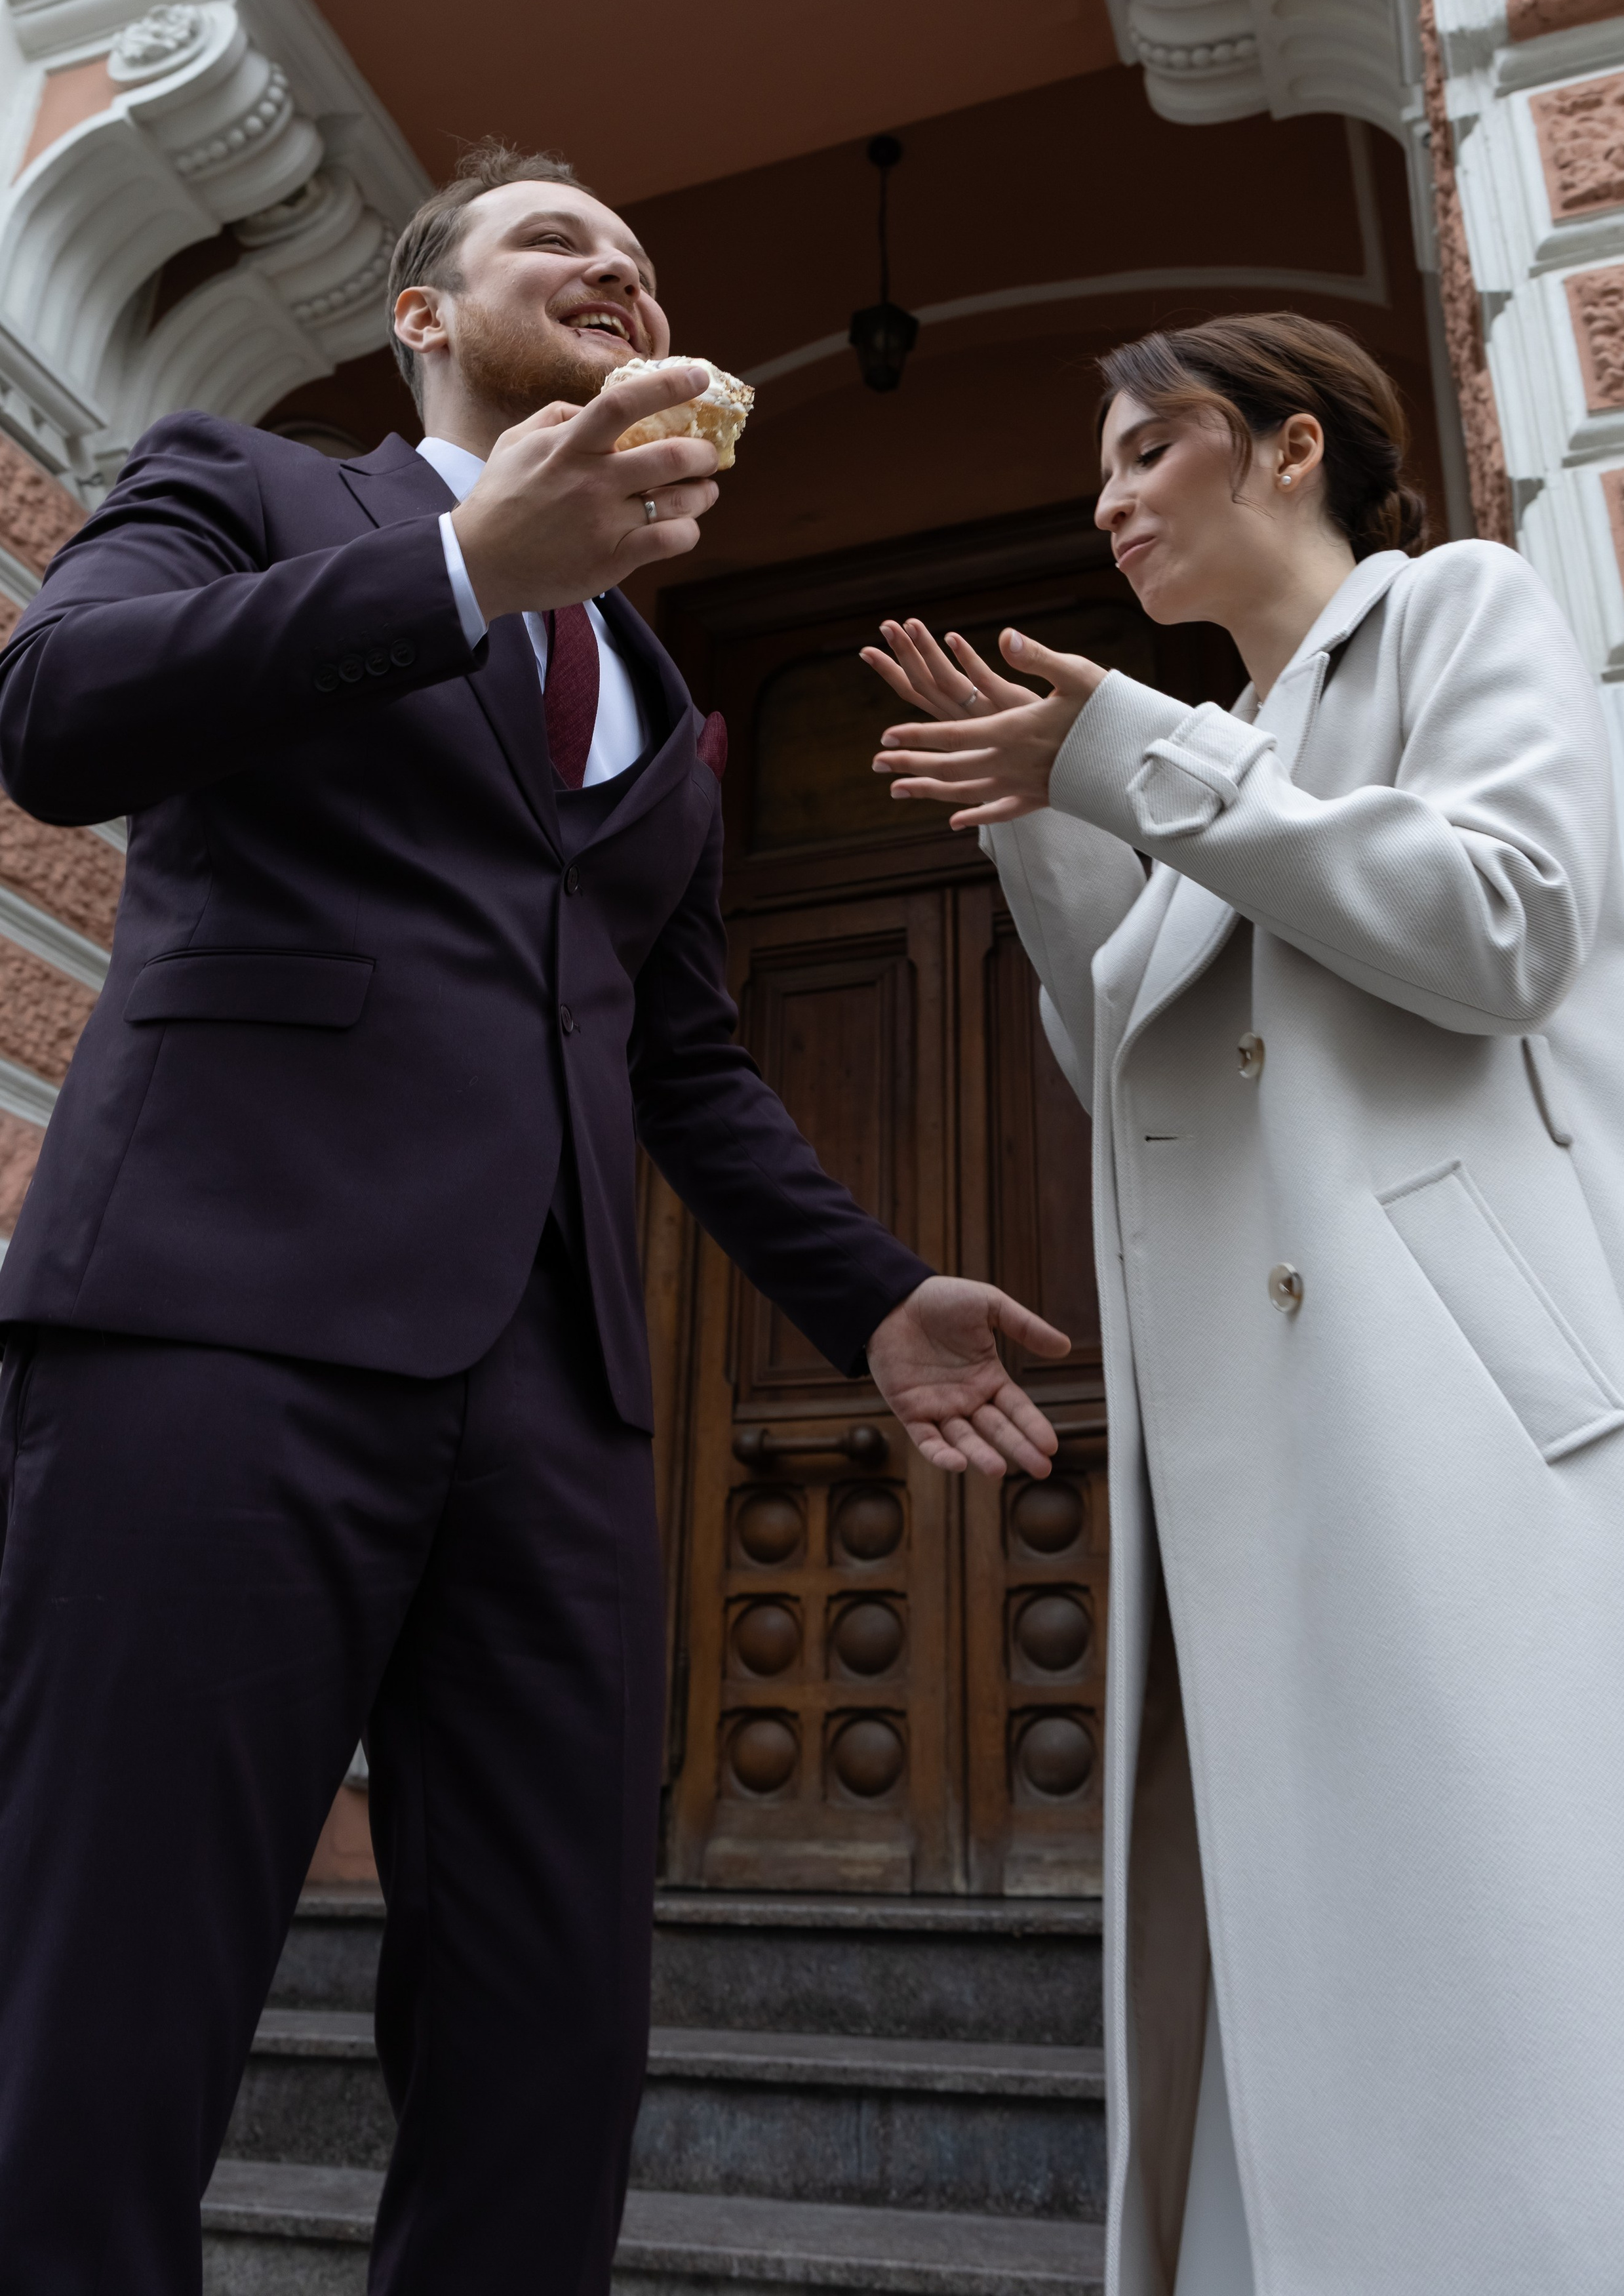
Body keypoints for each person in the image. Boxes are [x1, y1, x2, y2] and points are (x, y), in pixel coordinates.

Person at [0, 140, 1069, 2294]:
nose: (622, 271)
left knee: (554, 2019)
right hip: (219, 1321)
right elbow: (57, 720)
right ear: (422, 314)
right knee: (108, 1975)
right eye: (559, 241)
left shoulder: (665, 710)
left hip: (556, 1399)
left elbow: (680, 1063)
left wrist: (863, 1297)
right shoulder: (247, 484)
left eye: (644, 262)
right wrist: (474, 567)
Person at [864, 312, 1624, 2296]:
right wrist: (1059, 833)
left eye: (1154, 450)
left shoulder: (1453, 613)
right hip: (1254, 1458)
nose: (1112, 499)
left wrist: (1130, 760)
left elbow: (1497, 926)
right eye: (1106, 468)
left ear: (1294, 447)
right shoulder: (1218, 749)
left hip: (1465, 1416)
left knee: (1513, 1956)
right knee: (1316, 1972)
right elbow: (1142, 1083)